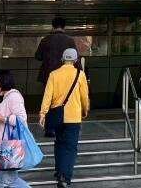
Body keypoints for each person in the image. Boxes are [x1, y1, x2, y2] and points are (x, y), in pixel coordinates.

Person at [40, 48, 90, 188]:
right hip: (73, 118)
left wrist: (43, 113)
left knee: (59, 144)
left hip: (57, 117)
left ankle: (59, 171)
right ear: (75, 60)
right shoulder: (80, 75)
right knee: (70, 147)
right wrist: (85, 110)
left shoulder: (54, 74)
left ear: (62, 59)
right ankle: (64, 177)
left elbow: (47, 96)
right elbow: (84, 97)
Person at [0, 70, 31, 188]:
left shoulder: (14, 97)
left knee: (5, 181)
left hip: (8, 146)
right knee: (0, 179)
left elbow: (21, 119)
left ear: (3, 82)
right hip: (4, 146)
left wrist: (3, 119)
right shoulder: (8, 97)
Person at [35, 17, 77, 86]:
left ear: (53, 26)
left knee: (49, 92)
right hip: (65, 75)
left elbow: (38, 56)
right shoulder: (70, 40)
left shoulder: (45, 40)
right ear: (64, 27)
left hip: (48, 75)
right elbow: (76, 58)